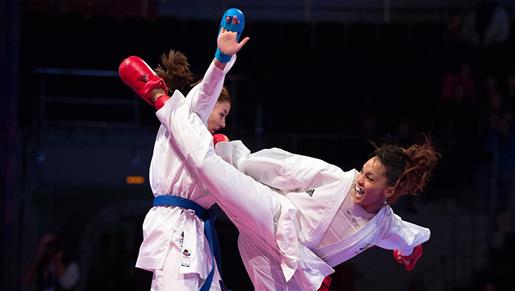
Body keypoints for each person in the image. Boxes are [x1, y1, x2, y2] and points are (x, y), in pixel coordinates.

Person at [123, 10, 440, 291]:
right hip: (270, 218)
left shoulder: (383, 224)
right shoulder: (336, 179)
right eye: (364, 171)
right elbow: (281, 166)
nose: (360, 178)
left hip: (284, 259)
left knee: (217, 160)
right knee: (218, 163)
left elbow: (404, 235)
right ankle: (157, 96)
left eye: (371, 178)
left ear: (391, 190)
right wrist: (220, 61)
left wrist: (409, 249)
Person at [118, 8, 249, 291]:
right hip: (175, 231)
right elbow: (205, 93)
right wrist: (221, 60)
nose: (223, 122)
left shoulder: (200, 143)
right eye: (222, 113)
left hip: (196, 233)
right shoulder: (187, 115)